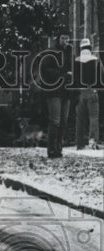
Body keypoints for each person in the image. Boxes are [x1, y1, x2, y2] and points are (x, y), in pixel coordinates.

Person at [42, 29, 74, 158]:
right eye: (63, 38)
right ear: (58, 39)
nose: (65, 41)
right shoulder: (51, 52)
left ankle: (59, 149)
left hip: (66, 92)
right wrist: (63, 74)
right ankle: (51, 150)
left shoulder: (70, 53)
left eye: (67, 39)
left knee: (63, 121)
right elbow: (45, 70)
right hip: (53, 90)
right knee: (55, 120)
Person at [73, 37, 103, 150]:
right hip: (92, 90)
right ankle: (92, 141)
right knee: (93, 117)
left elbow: (74, 79)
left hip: (80, 92)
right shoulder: (96, 60)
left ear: (80, 48)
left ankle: (79, 143)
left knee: (80, 119)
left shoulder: (76, 60)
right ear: (90, 47)